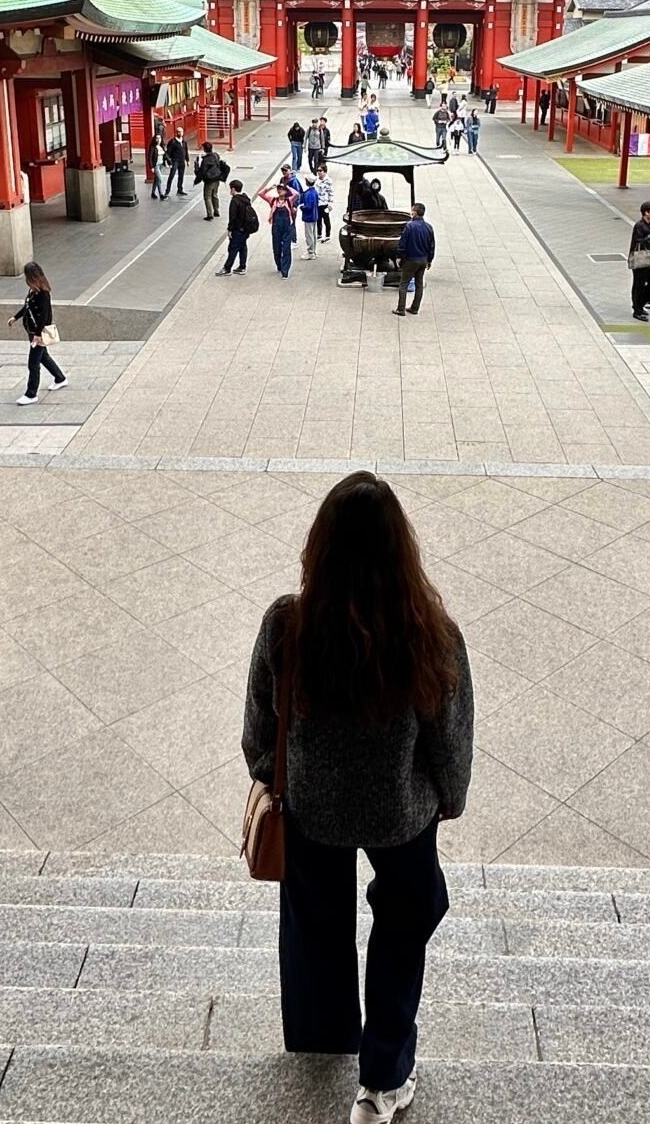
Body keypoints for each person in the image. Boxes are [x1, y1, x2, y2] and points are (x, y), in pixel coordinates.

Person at [242, 471, 473, 1124]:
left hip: (312, 808)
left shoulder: (287, 624)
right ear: (404, 552)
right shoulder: (430, 632)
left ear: (320, 547)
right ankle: (383, 1077)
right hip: (401, 811)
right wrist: (446, 800)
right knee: (407, 920)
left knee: (314, 931)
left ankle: (321, 1051)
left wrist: (276, 770)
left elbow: (260, 732)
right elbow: (450, 742)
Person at [8, 261, 67, 405]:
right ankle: (60, 378)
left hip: (38, 333)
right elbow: (27, 307)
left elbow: (45, 316)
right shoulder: (33, 290)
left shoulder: (43, 293)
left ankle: (31, 393)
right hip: (32, 330)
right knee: (44, 357)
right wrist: (15, 317)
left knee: (33, 363)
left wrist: (38, 334)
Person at [394, 201, 435, 317]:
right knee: (419, 284)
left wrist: (399, 257)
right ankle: (415, 308)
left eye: (412, 210)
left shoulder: (409, 226)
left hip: (411, 260)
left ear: (415, 213)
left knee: (404, 283)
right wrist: (429, 260)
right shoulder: (429, 228)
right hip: (423, 260)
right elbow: (432, 246)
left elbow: (403, 244)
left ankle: (400, 309)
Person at [216, 179, 258, 276]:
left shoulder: (235, 201)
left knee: (233, 248)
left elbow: (233, 217)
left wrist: (230, 229)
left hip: (238, 229)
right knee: (243, 247)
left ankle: (227, 268)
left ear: (233, 189)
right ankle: (242, 267)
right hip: (246, 228)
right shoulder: (245, 199)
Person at [259, 176, 298, 277]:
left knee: (286, 248)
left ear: (285, 191)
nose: (279, 191)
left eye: (282, 189)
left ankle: (285, 271)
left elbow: (296, 194)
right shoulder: (273, 200)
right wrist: (270, 187)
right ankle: (279, 265)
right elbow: (261, 194)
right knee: (276, 248)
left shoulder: (289, 200)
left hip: (287, 227)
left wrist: (288, 187)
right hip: (276, 227)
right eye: (278, 189)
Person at [628, 202, 650, 321]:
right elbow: (639, 242)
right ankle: (637, 309)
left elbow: (647, 241)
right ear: (646, 212)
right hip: (639, 259)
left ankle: (640, 304)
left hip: (648, 259)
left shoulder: (648, 225)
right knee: (639, 285)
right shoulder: (639, 225)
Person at [196, 141, 230, 221]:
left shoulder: (205, 160)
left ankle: (210, 214)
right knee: (214, 194)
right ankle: (216, 210)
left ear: (205, 149)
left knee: (207, 196)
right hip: (217, 178)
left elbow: (202, 172)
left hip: (209, 180)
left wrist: (197, 167)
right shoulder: (216, 156)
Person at [299, 175, 321, 259]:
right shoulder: (314, 192)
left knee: (309, 235)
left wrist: (301, 207)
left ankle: (310, 252)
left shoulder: (308, 194)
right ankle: (313, 251)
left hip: (309, 216)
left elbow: (308, 207)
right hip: (314, 215)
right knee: (313, 234)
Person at [163, 129, 188, 199]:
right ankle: (167, 191)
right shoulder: (173, 142)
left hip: (182, 161)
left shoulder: (184, 142)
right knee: (171, 176)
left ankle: (180, 189)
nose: (180, 133)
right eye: (178, 132)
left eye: (181, 132)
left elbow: (186, 150)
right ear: (176, 133)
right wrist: (169, 162)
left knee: (181, 176)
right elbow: (168, 153)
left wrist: (187, 160)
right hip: (175, 161)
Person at [315, 162, 334, 243]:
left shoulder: (328, 181)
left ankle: (327, 236)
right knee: (318, 220)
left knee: (326, 220)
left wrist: (330, 204)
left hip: (325, 203)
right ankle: (319, 234)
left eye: (320, 170)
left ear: (325, 171)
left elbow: (331, 192)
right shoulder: (316, 180)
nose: (319, 172)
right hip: (318, 203)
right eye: (318, 170)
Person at [148, 132, 165, 200]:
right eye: (157, 138)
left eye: (159, 138)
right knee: (160, 179)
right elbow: (149, 157)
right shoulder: (153, 147)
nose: (158, 140)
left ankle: (153, 192)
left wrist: (167, 163)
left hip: (161, 165)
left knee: (156, 179)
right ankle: (161, 194)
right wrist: (151, 167)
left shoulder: (162, 146)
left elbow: (165, 155)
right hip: (156, 165)